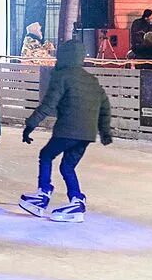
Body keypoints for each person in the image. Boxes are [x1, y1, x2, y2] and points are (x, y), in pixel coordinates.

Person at [18, 38, 112, 223]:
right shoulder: (91, 79)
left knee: (46, 155)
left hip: (68, 129)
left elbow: (49, 103)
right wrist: (105, 132)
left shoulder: (62, 76)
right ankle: (76, 200)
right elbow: (105, 106)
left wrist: (30, 125)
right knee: (67, 166)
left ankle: (42, 194)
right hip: (87, 134)